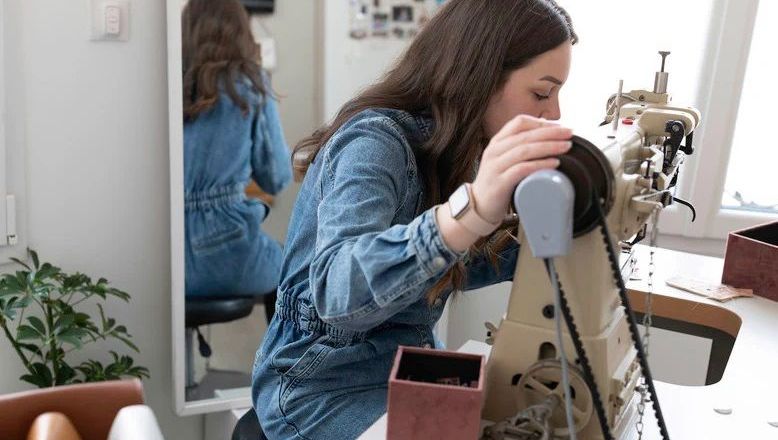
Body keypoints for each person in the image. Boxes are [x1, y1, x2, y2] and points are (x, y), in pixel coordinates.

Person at [251, 1, 576, 438]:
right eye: (541, 92)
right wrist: (469, 212)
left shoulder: (456, 151)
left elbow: (450, 263)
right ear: (478, 76)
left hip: (406, 367)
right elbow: (338, 294)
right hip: (320, 389)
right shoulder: (373, 141)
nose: (553, 113)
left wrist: (552, 240)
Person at [182, 0, 291, 301]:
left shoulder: (168, 84)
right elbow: (277, 177)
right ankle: (279, 351)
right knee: (296, 272)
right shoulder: (250, 85)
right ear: (241, 32)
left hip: (166, 255)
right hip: (227, 250)